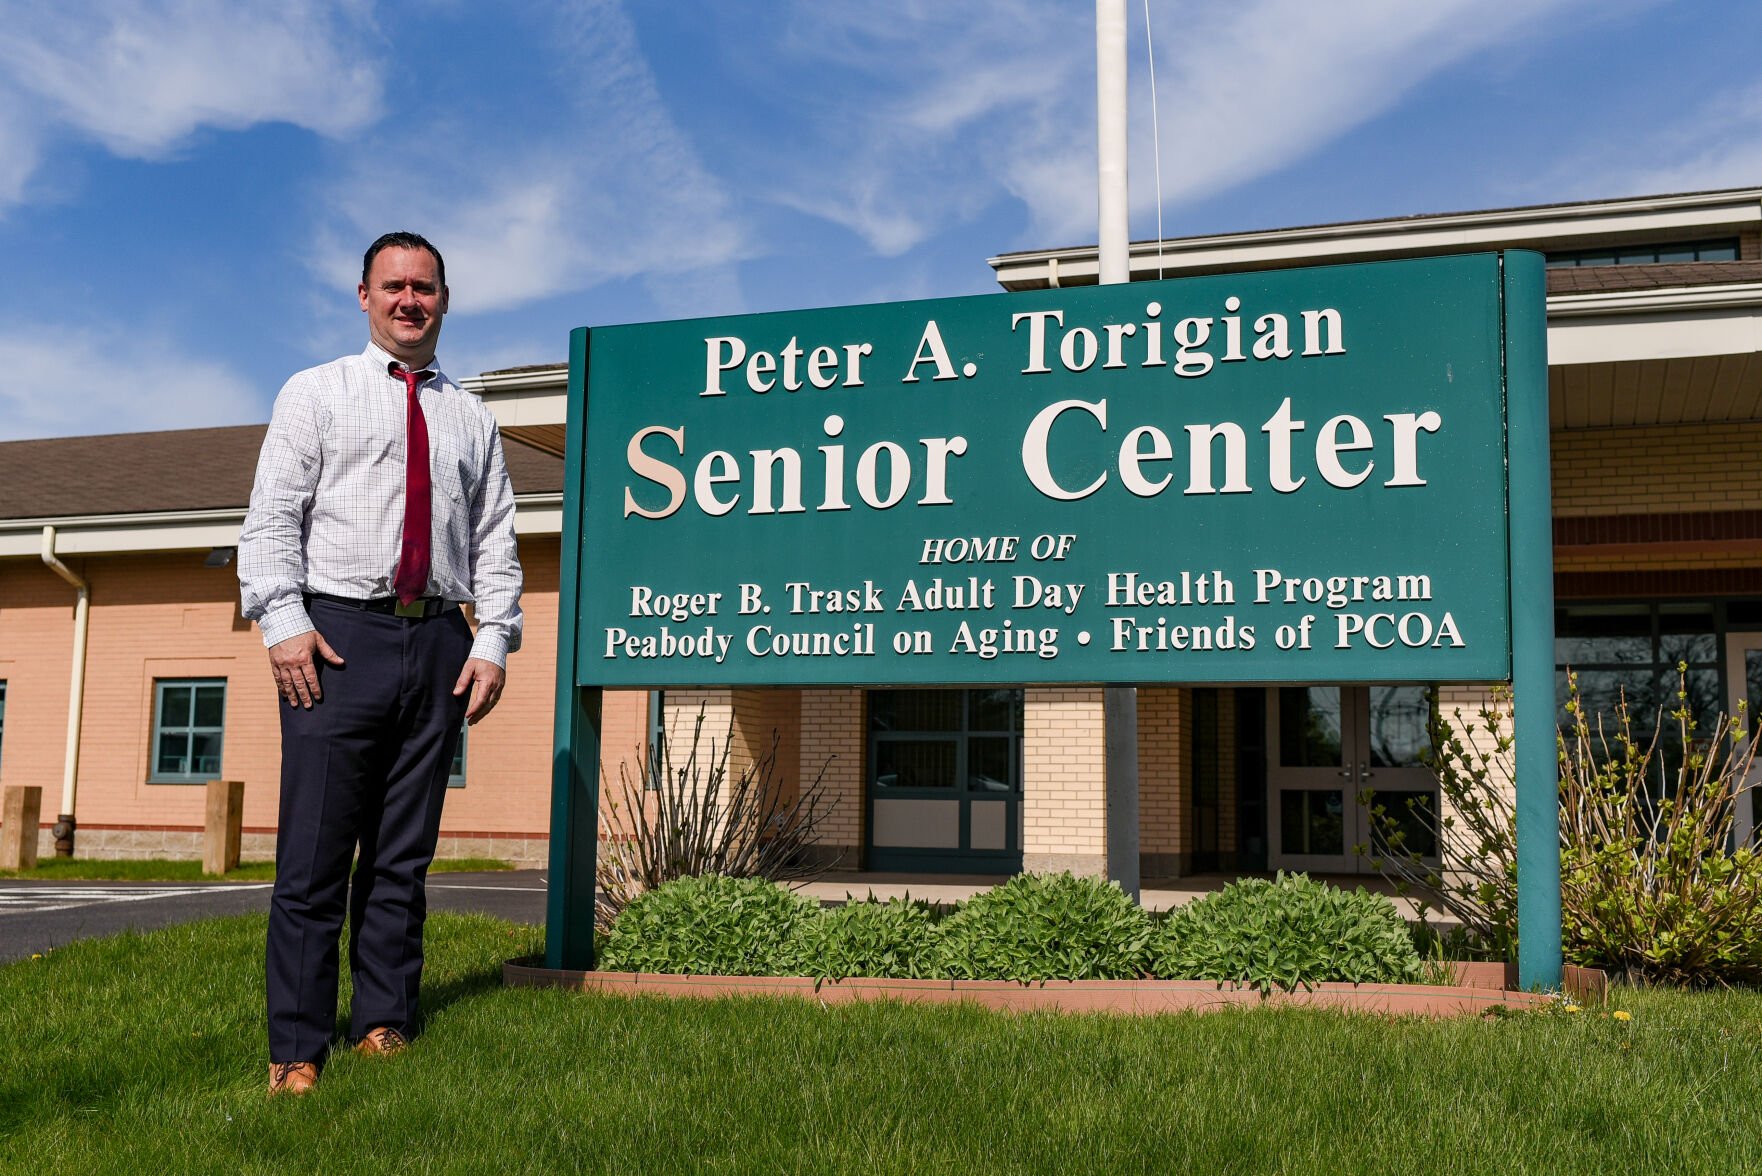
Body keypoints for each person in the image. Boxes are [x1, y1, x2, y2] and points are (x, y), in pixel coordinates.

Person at [239, 231, 523, 1095]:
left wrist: (492, 640)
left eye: (426, 288)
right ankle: (296, 1046)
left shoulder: (472, 418)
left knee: (403, 858)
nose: (411, 301)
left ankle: (385, 1023)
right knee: (315, 858)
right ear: (363, 295)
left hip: (436, 641)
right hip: (336, 639)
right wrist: (283, 623)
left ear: (445, 300)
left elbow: (495, 544)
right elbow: (271, 517)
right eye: (394, 286)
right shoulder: (316, 393)